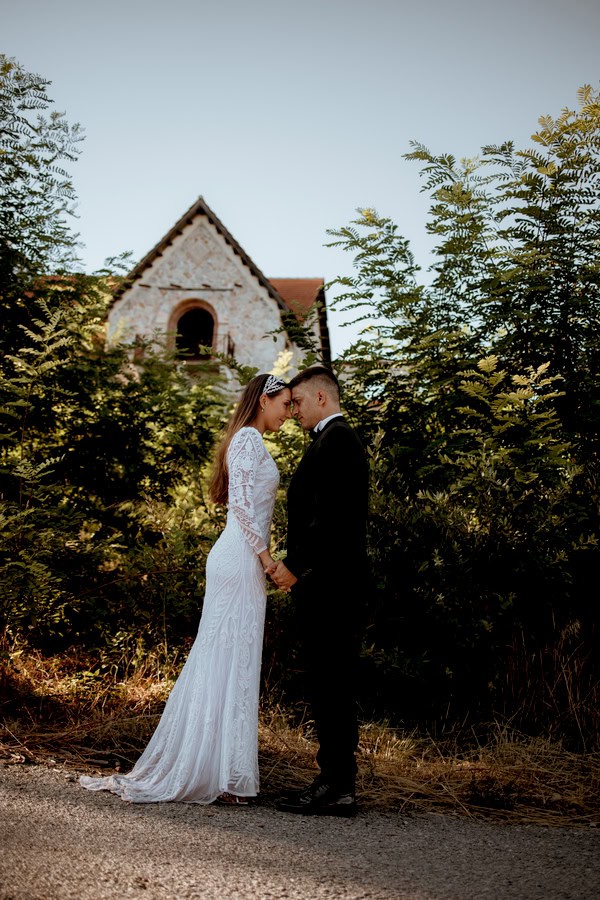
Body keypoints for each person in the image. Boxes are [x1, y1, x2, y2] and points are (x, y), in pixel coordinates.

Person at [80, 373, 291, 806]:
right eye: (285, 403)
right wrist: (269, 560)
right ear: (264, 400)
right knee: (226, 658)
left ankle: (225, 771)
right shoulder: (249, 440)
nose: (289, 412)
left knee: (233, 658)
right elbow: (242, 507)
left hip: (242, 560)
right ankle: (222, 775)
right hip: (241, 559)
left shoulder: (248, 438)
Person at [268, 366, 369, 817]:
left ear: (322, 399)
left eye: (300, 403)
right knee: (329, 685)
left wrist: (294, 567)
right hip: (327, 585)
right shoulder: (331, 441)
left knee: (334, 686)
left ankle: (337, 786)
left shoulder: (339, 441)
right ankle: (334, 783)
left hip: (332, 587)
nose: (295, 411)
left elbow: (331, 520)